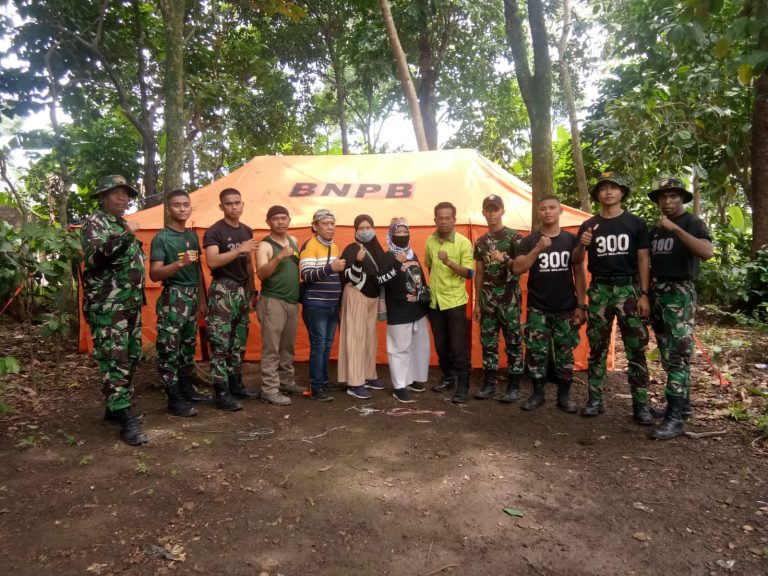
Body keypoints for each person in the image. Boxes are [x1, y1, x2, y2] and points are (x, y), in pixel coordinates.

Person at [572, 173, 653, 425]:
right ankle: (595, 399)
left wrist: (644, 293)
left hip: (628, 289)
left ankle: (641, 405)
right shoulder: (589, 225)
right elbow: (575, 261)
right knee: (596, 347)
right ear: (597, 194)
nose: (608, 192)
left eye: (614, 188)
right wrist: (581, 245)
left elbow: (642, 260)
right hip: (600, 291)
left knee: (635, 349)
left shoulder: (635, 223)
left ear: (622, 192)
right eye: (603, 189)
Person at [81, 175, 147, 445]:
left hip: (130, 303)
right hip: (109, 305)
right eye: (115, 193)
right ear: (102, 196)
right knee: (114, 357)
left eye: (125, 194)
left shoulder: (121, 223)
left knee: (130, 355)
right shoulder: (94, 223)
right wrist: (125, 235)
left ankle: (115, 407)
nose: (122, 198)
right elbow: (94, 257)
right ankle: (124, 416)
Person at [646, 177, 713, 440]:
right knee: (665, 352)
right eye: (663, 197)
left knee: (678, 355)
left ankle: (675, 418)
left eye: (673, 196)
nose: (667, 200)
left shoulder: (692, 223)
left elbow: (706, 252)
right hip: (658, 293)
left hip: (680, 292)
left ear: (682, 199)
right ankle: (680, 407)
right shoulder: (655, 230)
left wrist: (675, 229)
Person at [513, 195, 587, 412]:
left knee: (565, 353)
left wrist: (581, 305)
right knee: (536, 353)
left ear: (560, 211)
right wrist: (538, 249)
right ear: (538, 212)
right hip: (538, 308)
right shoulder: (528, 241)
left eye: (552, 208)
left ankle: (564, 396)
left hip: (565, 307)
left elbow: (579, 272)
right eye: (543, 208)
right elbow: (518, 268)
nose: (548, 212)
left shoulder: (571, 240)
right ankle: (538, 394)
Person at [149, 189, 209, 418]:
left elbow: (198, 272)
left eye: (185, 204)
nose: (182, 208)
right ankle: (174, 399)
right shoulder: (161, 238)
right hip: (173, 297)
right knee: (169, 349)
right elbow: (155, 274)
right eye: (176, 205)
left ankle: (187, 390)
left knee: (187, 348)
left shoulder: (192, 236)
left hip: (192, 298)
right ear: (168, 209)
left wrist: (202, 299)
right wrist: (179, 264)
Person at [203, 188, 260, 411]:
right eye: (229, 204)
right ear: (221, 207)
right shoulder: (214, 231)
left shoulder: (246, 230)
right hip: (222, 290)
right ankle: (221, 391)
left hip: (242, 291)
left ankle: (236, 384)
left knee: (238, 341)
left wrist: (252, 289)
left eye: (237, 203)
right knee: (220, 342)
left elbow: (249, 263)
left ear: (243, 204)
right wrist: (240, 250)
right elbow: (212, 261)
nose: (234, 207)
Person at [472, 195, 524, 403]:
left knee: (513, 340)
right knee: (488, 341)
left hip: (509, 296)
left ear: (503, 211)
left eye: (495, 209)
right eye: (488, 209)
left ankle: (514, 386)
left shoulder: (515, 238)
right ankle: (489, 384)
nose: (492, 213)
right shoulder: (481, 242)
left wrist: (505, 259)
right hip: (488, 298)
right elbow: (480, 273)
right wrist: (477, 302)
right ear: (483, 212)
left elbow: (521, 266)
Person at [424, 201, 475, 403]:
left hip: (454, 303)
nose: (443, 221)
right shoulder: (430, 241)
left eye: (448, 218)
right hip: (435, 303)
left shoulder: (463, 243)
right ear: (435, 219)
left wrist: (449, 262)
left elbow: (469, 273)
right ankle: (448, 378)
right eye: (440, 218)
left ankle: (463, 385)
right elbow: (429, 267)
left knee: (458, 346)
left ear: (454, 220)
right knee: (441, 344)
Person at [376, 219, 431, 403]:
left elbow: (418, 276)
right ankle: (399, 386)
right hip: (398, 310)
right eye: (397, 232)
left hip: (416, 309)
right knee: (399, 349)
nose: (402, 235)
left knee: (417, 347)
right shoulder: (388, 256)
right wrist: (396, 265)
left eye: (404, 231)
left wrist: (423, 295)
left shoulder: (412, 253)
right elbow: (381, 279)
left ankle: (410, 379)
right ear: (391, 235)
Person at [255, 205, 302, 406]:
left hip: (292, 301)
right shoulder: (264, 246)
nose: (280, 222)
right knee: (271, 348)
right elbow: (261, 274)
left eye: (284, 218)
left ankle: (286, 381)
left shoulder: (294, 241)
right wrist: (280, 257)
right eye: (276, 218)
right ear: (268, 222)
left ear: (289, 220)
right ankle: (269, 389)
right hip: (272, 301)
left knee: (287, 347)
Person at [338, 215, 387, 399]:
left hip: (372, 298)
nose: (365, 231)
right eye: (361, 228)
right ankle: (355, 382)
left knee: (369, 339)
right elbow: (351, 277)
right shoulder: (352, 250)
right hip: (356, 295)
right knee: (356, 339)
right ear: (355, 231)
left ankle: (368, 375)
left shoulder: (377, 251)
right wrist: (358, 261)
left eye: (368, 227)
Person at [299, 209, 345, 402]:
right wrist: (330, 268)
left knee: (326, 345)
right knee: (318, 345)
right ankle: (316, 387)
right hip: (316, 305)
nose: (330, 227)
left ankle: (323, 382)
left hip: (332, 305)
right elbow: (306, 275)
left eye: (332, 223)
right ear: (315, 226)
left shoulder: (333, 246)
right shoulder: (310, 246)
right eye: (325, 223)